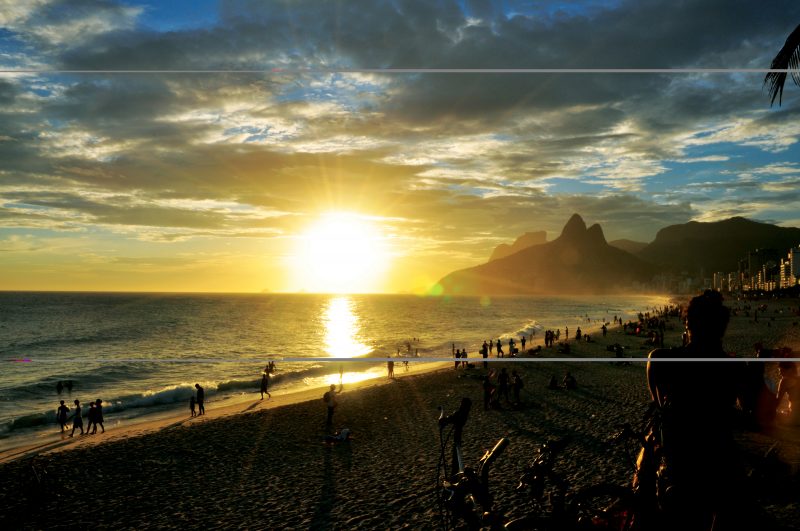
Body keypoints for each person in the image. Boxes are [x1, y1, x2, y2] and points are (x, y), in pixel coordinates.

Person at [646, 289, 755, 530]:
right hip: (720, 463)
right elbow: (752, 412)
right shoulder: (735, 369)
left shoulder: (662, 360)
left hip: (680, 464)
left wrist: (664, 406)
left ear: (687, 324)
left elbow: (656, 386)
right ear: (723, 327)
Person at [439, 397, 471, 476]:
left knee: (456, 457)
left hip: (457, 437)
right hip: (457, 437)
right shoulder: (463, 413)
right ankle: (455, 473)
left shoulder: (460, 414)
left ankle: (454, 474)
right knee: (456, 456)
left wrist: (444, 420)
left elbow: (447, 420)